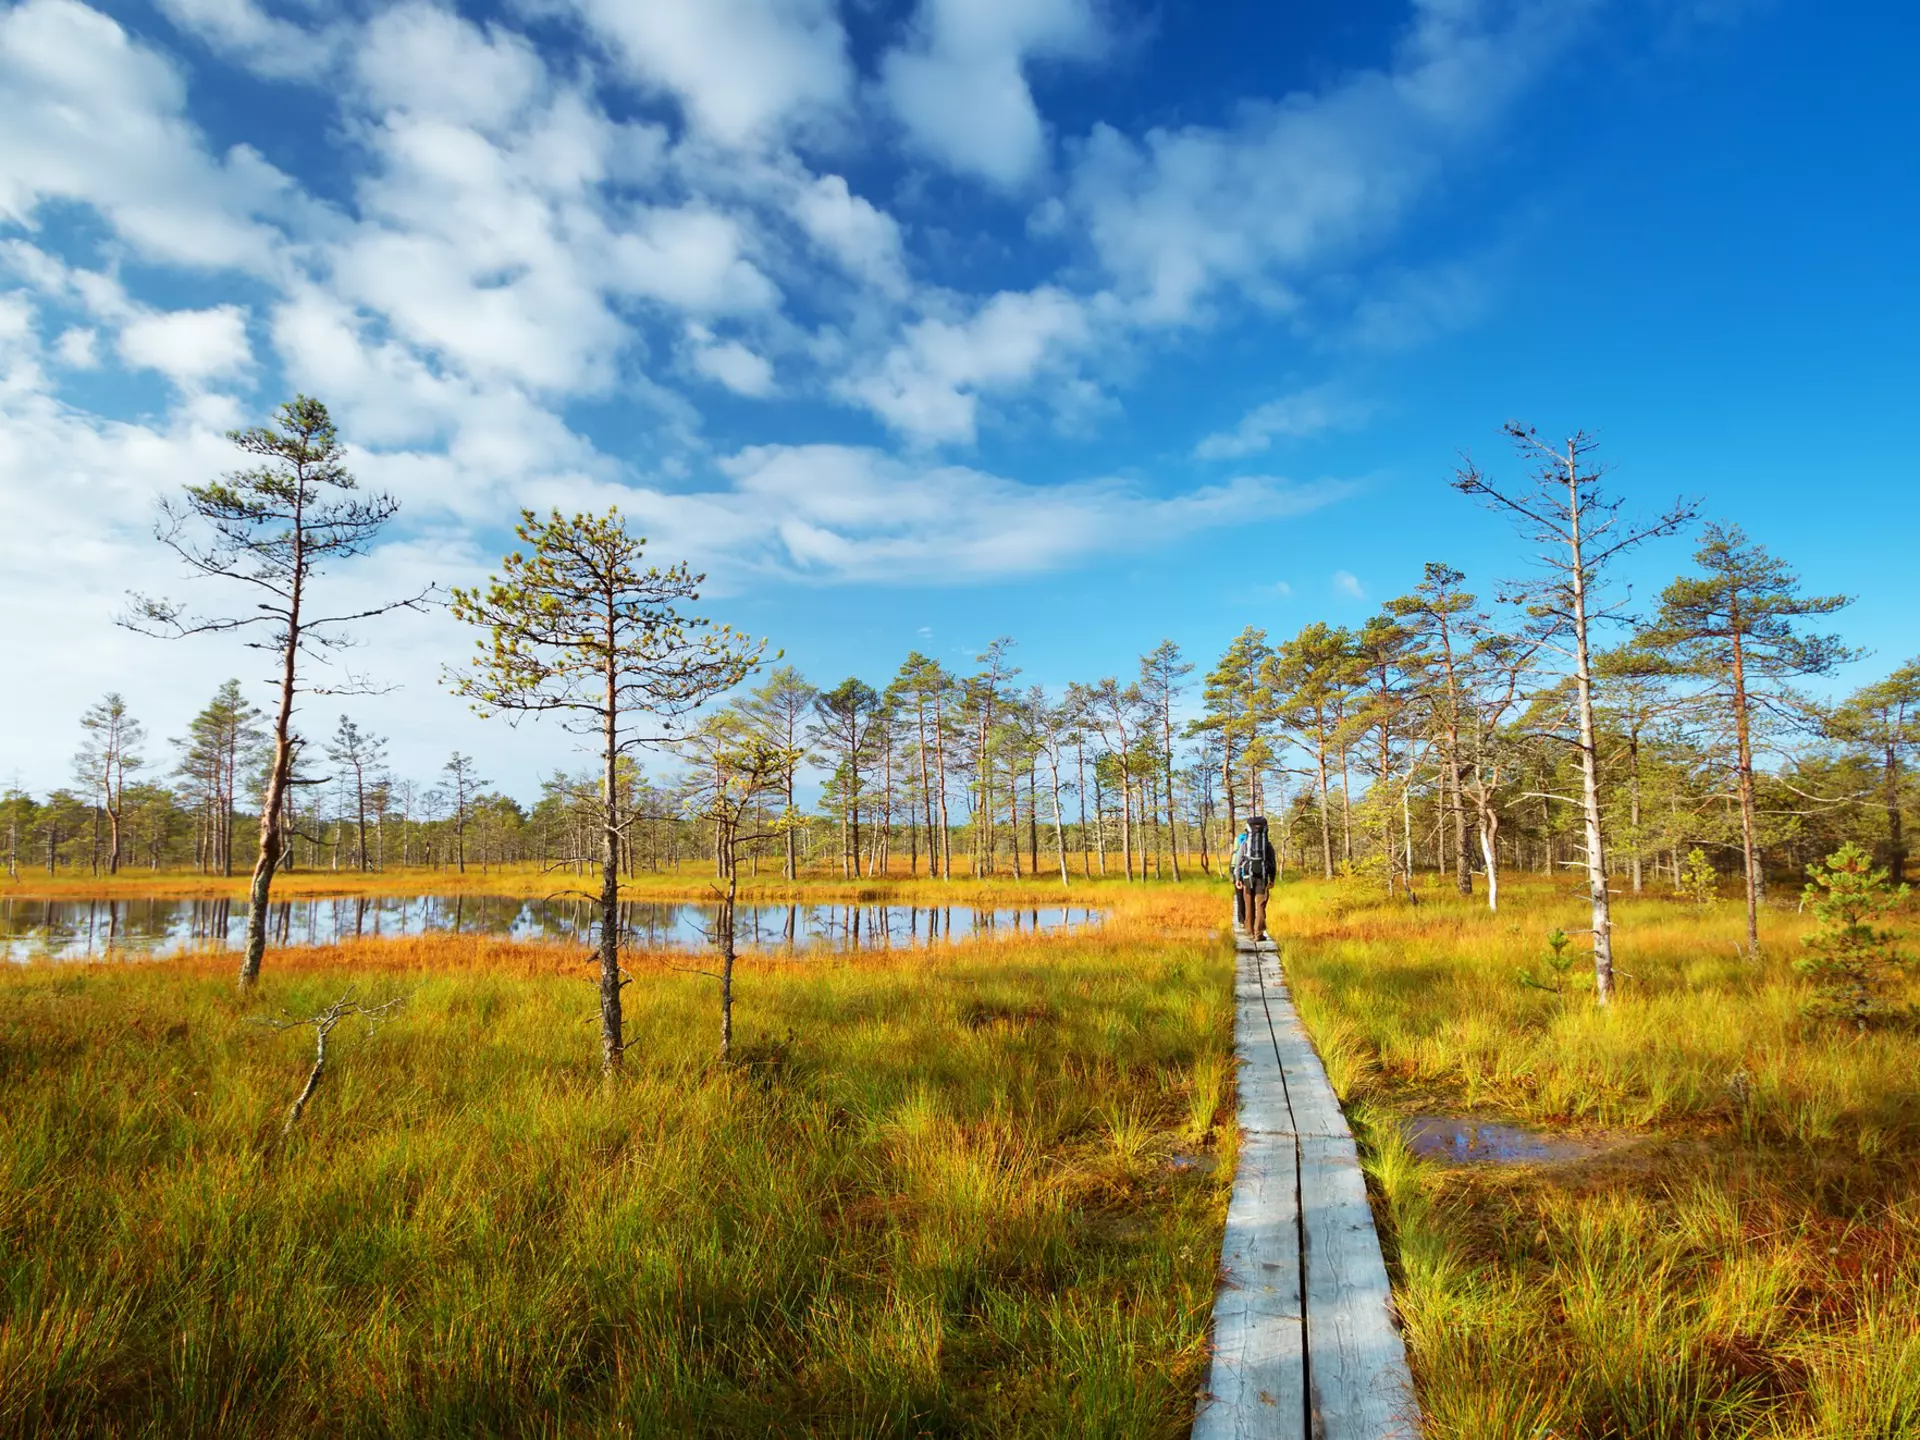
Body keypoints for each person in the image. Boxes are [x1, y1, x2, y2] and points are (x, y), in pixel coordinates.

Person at [1232, 816, 1277, 941]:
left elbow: (1238, 862)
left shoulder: (1245, 844)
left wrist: (1237, 878)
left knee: (1248, 905)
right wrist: (1272, 879)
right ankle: (1258, 934)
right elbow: (1272, 863)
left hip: (1247, 878)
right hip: (1262, 878)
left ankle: (1249, 931)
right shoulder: (1267, 845)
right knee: (1261, 906)